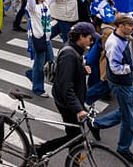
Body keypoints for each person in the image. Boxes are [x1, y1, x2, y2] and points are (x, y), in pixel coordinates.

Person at [91, 13, 133, 165]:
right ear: (121, 26)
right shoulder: (114, 43)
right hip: (120, 83)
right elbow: (116, 68)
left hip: (125, 82)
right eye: (130, 25)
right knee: (128, 120)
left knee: (124, 111)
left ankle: (97, 124)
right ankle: (123, 148)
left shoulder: (124, 38)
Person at [36, 22, 100, 157]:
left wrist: (82, 71)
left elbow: (70, 74)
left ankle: (69, 160)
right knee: (75, 137)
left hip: (72, 100)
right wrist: (78, 109)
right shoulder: (69, 55)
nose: (91, 41)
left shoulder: (74, 49)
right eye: (90, 37)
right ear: (81, 37)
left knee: (75, 136)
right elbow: (66, 86)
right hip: (67, 103)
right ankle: (41, 150)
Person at [25, 0, 67, 97]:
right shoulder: (33, 8)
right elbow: (30, 0)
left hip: (47, 39)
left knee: (49, 60)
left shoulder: (46, 3)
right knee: (39, 65)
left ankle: (31, 74)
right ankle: (38, 89)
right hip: (38, 39)